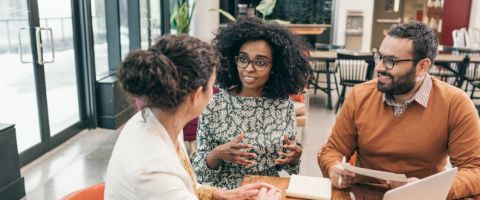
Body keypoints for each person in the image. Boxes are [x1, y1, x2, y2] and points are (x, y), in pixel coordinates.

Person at [104, 34, 281, 200]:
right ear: (197, 95)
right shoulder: (154, 172)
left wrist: (220, 194)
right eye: (212, 85)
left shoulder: (157, 119)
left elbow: (187, 184)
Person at [317, 21, 480, 199]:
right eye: (379, 56)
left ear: (422, 66)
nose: (379, 67)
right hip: (363, 195)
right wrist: (333, 168)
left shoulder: (454, 103)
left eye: (390, 61)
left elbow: (474, 170)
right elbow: (332, 150)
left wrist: (427, 189)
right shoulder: (360, 96)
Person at [192, 17, 312, 189]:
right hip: (226, 193)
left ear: (274, 67)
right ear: (233, 60)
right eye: (243, 59)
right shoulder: (213, 105)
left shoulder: (283, 105)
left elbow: (285, 166)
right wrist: (217, 154)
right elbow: (198, 173)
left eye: (260, 62)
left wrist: (293, 157)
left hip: (267, 189)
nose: (249, 68)